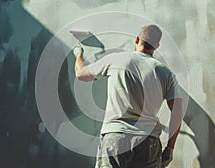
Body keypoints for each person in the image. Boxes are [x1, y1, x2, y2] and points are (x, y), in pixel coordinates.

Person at [74, 25, 183, 168]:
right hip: (148, 142)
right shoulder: (165, 73)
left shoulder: (116, 59)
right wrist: (170, 148)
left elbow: (81, 74)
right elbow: (178, 111)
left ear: (137, 40)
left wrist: (79, 53)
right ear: (156, 46)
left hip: (116, 138)